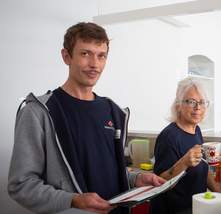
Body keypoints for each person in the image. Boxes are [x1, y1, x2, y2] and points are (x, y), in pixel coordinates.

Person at [8, 22, 166, 214]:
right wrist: (72, 200)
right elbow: (21, 184)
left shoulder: (113, 112)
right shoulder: (39, 112)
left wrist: (135, 179)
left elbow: (104, 171)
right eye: (85, 53)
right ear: (67, 56)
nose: (94, 64)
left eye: (101, 55)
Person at [149, 77, 221, 214]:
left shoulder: (196, 130)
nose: (198, 107)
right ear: (178, 106)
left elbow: (202, 166)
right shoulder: (169, 137)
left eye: (202, 102)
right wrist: (183, 163)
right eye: (191, 102)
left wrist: (218, 193)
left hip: (194, 208)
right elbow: (160, 183)